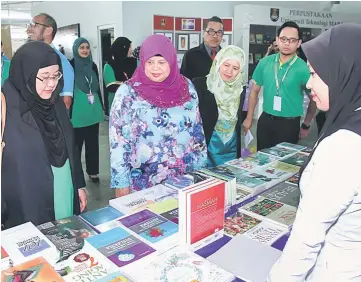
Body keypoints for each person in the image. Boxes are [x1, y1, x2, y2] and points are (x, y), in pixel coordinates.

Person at [268, 23, 361, 282]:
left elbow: (306, 240)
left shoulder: (343, 147)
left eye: (314, 74)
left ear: (341, 72)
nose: (309, 84)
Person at [1, 41, 87, 229]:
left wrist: (78, 184)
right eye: (44, 77)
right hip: (25, 198)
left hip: (64, 188)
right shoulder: (5, 108)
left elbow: (70, 146)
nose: (51, 84)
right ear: (26, 74)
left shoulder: (54, 103)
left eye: (56, 76)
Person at [109, 34, 207, 198]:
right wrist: (121, 183)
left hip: (184, 178)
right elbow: (119, 142)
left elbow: (197, 133)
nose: (155, 68)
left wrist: (202, 173)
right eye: (150, 62)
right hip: (143, 183)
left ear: (172, 61)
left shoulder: (187, 87)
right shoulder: (128, 92)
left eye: (162, 62)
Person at [243, 21, 317, 151]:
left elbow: (314, 98)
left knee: (285, 164)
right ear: (277, 40)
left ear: (299, 43)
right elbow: (254, 92)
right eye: (283, 39)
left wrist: (306, 124)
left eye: (292, 40)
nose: (287, 43)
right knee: (261, 161)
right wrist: (249, 118)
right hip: (265, 121)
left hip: (289, 124)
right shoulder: (265, 63)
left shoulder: (304, 69)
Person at [193, 45, 247, 167]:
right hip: (207, 144)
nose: (229, 71)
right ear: (218, 63)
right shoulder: (200, 85)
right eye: (226, 65)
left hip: (231, 145)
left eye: (235, 68)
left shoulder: (241, 90)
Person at [69, 38, 104, 183]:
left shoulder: (93, 65)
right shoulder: (70, 66)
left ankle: (93, 171)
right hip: (77, 111)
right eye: (81, 47)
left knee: (92, 143)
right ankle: (76, 175)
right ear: (76, 49)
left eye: (87, 47)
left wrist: (102, 106)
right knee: (76, 146)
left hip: (92, 110)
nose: (85, 50)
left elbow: (97, 87)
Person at [27, 13, 74, 111]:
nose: (28, 30)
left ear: (48, 30)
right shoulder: (30, 58)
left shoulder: (60, 61)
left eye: (33, 25)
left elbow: (66, 102)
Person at [181, 16, 224, 80]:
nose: (215, 36)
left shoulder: (226, 56)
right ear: (203, 32)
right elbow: (184, 82)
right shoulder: (190, 55)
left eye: (219, 32)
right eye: (211, 31)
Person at [103, 37, 137, 111]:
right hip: (117, 103)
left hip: (134, 102)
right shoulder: (109, 65)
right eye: (129, 47)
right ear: (123, 48)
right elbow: (111, 86)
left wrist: (123, 83)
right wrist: (130, 83)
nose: (131, 49)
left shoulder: (134, 62)